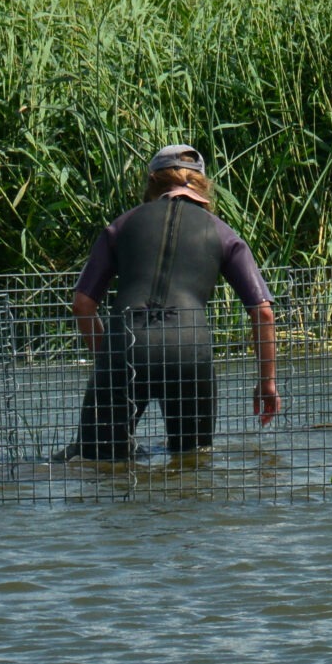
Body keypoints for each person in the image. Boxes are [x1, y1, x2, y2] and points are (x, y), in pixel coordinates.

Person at [62, 145, 280, 461]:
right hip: (189, 351)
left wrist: (109, 358)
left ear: (152, 182)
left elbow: (82, 304)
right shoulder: (223, 233)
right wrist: (267, 383)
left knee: (96, 461)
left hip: (125, 344)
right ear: (203, 184)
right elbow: (262, 312)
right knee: (192, 460)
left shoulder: (120, 226)